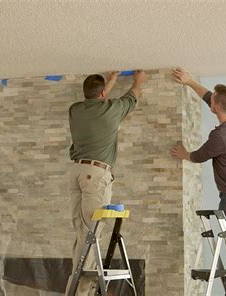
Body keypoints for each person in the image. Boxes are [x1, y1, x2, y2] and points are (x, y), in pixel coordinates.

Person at [170, 68, 226, 295]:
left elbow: (198, 156)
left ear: (217, 107)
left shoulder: (221, 136)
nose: (211, 102)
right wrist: (189, 82)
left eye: (213, 102)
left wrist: (183, 154)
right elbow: (211, 97)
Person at [65, 70, 146, 295]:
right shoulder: (113, 110)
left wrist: (109, 82)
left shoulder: (75, 110)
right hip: (95, 175)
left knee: (82, 233)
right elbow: (132, 96)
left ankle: (74, 289)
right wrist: (138, 81)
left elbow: (96, 100)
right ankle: (82, 293)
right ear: (103, 93)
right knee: (92, 233)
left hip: (76, 172)